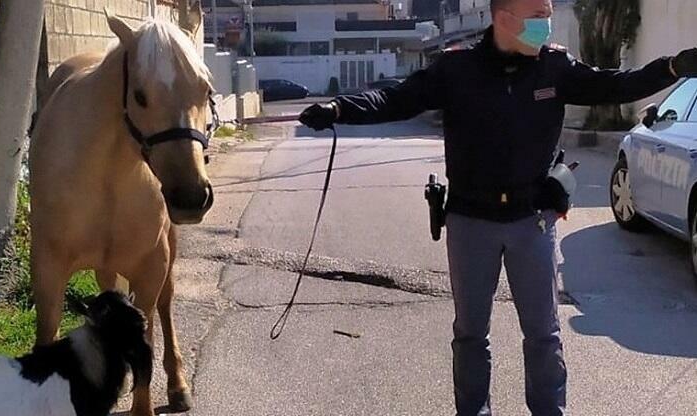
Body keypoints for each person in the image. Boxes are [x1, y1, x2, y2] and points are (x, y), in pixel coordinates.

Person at [298, 0, 697, 415]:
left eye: (547, 15)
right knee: (470, 335)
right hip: (472, 221)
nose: (546, 24)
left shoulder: (554, 68)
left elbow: (616, 84)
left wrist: (671, 67)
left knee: (543, 334)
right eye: (538, 15)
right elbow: (397, 99)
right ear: (505, 19)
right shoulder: (456, 70)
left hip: (532, 221)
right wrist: (339, 109)